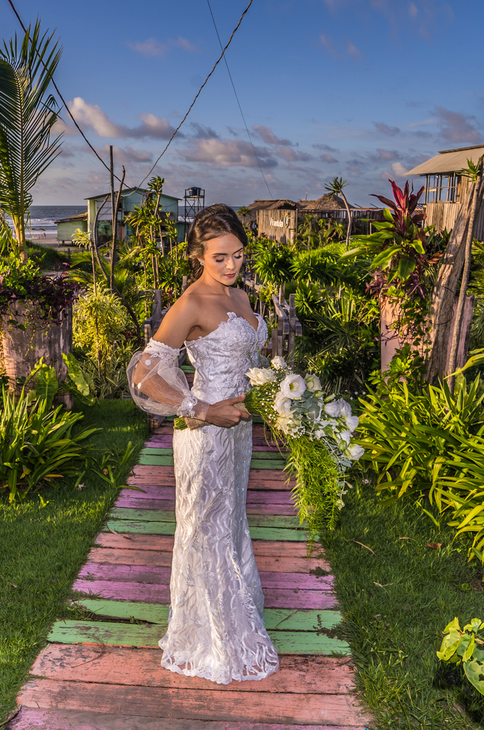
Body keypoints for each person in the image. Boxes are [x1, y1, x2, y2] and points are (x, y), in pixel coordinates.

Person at [127, 204, 280, 684]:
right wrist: (200, 409)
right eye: (220, 257)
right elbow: (144, 374)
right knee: (205, 527)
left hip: (238, 437)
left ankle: (237, 619)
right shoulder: (193, 302)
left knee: (231, 520)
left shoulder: (239, 295)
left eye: (238, 254)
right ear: (198, 256)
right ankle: (208, 638)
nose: (232, 265)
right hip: (207, 435)